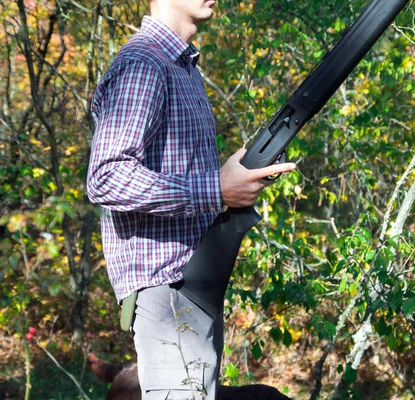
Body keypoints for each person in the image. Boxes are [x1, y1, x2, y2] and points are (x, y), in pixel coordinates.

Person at [86, 0, 295, 398]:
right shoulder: (144, 63)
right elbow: (105, 177)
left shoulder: (184, 69)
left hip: (194, 288)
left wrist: (236, 183)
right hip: (165, 297)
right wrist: (216, 188)